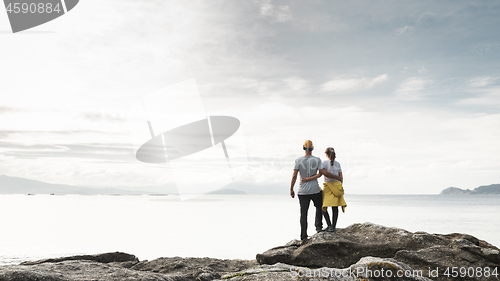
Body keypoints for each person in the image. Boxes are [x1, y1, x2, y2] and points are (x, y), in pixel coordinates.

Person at [290, 140, 342, 241]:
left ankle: (303, 236)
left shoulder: (298, 160)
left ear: (304, 148)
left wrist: (291, 188)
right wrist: (337, 177)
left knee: (303, 213)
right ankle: (318, 227)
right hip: (315, 190)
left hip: (302, 191)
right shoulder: (317, 160)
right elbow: (323, 173)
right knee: (319, 207)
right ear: (312, 149)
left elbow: (294, 176)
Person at [302, 147, 346, 232]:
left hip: (327, 186)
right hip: (337, 186)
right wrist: (340, 187)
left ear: (326, 154)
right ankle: (333, 226)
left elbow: (320, 174)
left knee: (323, 207)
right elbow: (341, 177)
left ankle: (329, 225)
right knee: (335, 207)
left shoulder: (324, 163)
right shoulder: (338, 164)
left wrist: (308, 179)